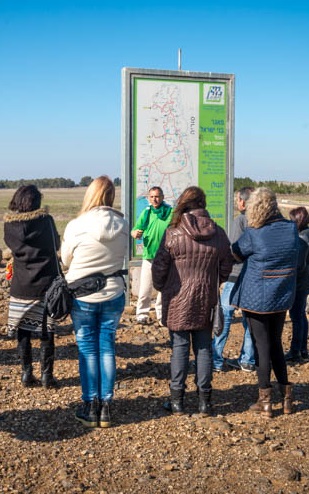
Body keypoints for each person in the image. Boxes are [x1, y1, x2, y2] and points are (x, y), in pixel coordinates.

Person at [152, 186, 233, 415]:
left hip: (177, 297)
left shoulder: (173, 232)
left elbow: (159, 267)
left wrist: (163, 287)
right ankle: (205, 402)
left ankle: (177, 401)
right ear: (203, 204)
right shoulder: (218, 232)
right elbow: (226, 265)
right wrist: (213, 280)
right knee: (204, 348)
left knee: (179, 347)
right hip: (206, 297)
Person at [61, 176, 128, 428]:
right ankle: (106, 407)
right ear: (111, 196)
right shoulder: (123, 224)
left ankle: (90, 406)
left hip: (83, 295)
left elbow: (66, 260)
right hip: (113, 292)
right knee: (107, 347)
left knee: (87, 349)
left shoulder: (76, 225)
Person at [230, 187, 299, 417]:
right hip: (281, 295)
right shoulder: (291, 229)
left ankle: (265, 400)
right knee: (276, 343)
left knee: (262, 346)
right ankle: (287, 396)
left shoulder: (254, 233)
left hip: (256, 297)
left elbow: (236, 254)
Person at [4, 185, 60, 388]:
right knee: (47, 331)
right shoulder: (46, 221)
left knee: (23, 330)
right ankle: (47, 376)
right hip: (46, 284)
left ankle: (26, 374)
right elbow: (57, 245)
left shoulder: (9, 225)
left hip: (21, 285)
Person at [213, 187, 255, 372]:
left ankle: (216, 358)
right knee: (250, 319)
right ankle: (248, 359)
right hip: (253, 277)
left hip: (235, 275)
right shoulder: (259, 222)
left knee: (225, 316)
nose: (237, 203)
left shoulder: (239, 221)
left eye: (237, 199)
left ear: (243, 202)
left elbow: (234, 249)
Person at [131, 186, 173, 324]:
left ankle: (162, 315)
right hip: (149, 256)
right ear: (149, 198)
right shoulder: (147, 213)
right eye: (152, 197)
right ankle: (142, 314)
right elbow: (135, 230)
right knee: (145, 288)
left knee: (163, 289)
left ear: (162, 197)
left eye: (157, 196)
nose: (155, 199)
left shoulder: (170, 212)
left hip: (166, 257)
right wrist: (135, 233)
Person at [284, 207, 309, 362]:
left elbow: (298, 264)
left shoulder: (302, 239)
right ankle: (303, 349)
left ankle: (295, 351)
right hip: (305, 281)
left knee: (296, 316)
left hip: (300, 282)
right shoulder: (306, 234)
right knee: (301, 316)